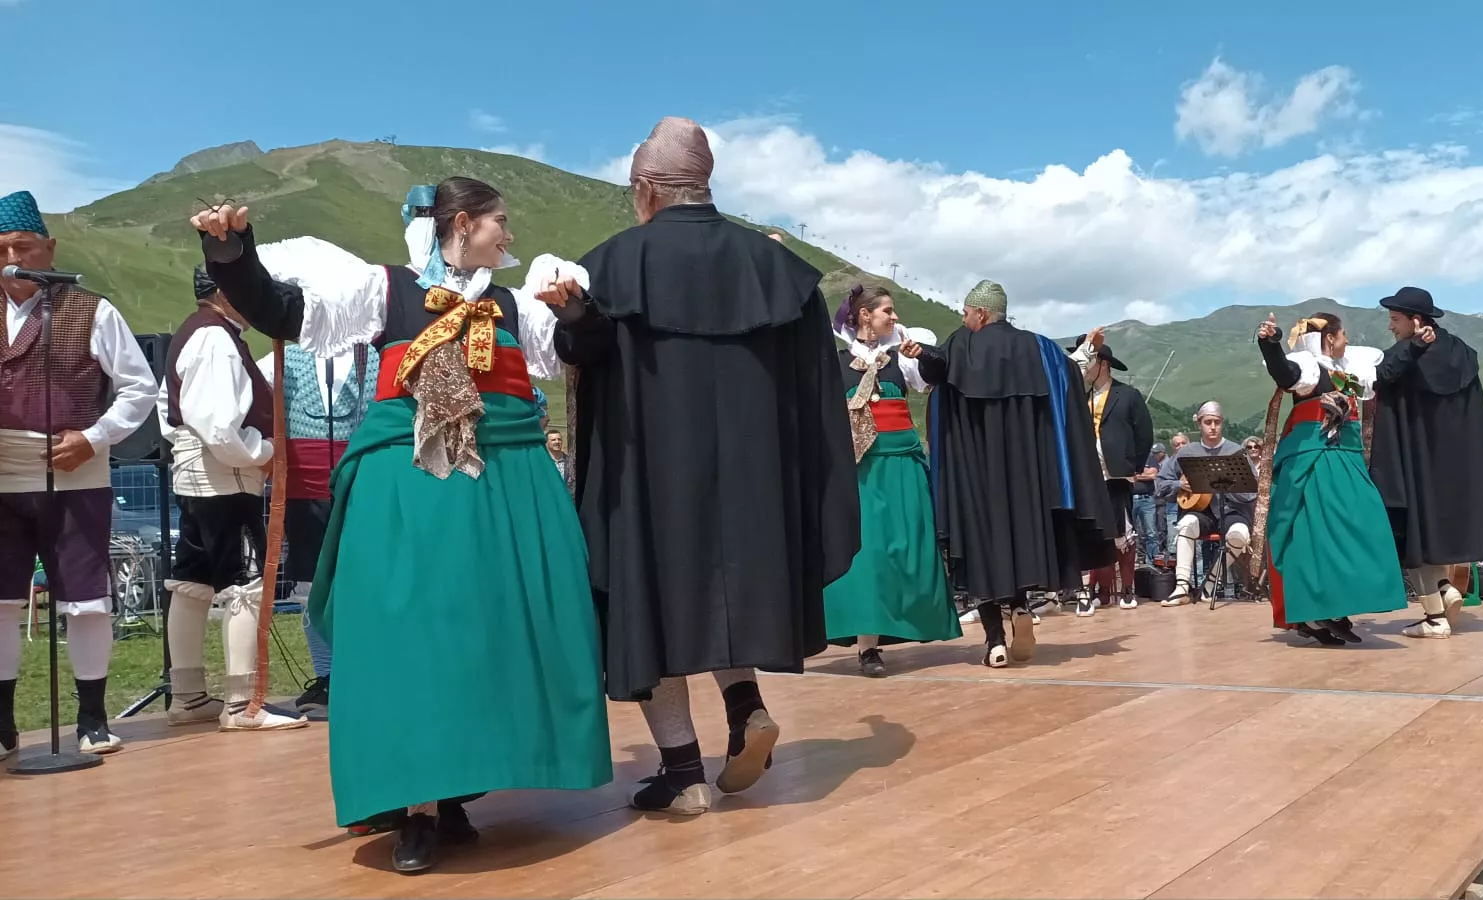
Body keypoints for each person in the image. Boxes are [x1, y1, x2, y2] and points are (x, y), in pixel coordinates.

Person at [191, 177, 611, 873]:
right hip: (412, 487)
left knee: (484, 636)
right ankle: (414, 807)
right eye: (500, 222)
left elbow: (582, 353)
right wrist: (233, 254)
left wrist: (577, 315)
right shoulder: (385, 290)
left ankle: (458, 789)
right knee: (415, 634)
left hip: (505, 491)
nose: (509, 235)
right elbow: (282, 311)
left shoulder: (514, 305)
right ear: (463, 224)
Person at [547, 117, 858, 816]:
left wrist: (576, 322)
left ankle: (684, 773)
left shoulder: (613, 266)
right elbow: (817, 390)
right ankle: (747, 710)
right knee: (726, 593)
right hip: (757, 480)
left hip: (649, 479)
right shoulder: (777, 272)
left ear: (647, 187)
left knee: (650, 606)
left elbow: (584, 356)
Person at [0, 189, 158, 758]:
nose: (11, 260)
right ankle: (2, 724)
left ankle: (92, 717)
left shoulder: (92, 310)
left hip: (75, 471)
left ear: (50, 249)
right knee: (1, 602)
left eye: (22, 247)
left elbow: (139, 387)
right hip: (1, 475)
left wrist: (94, 437)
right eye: (0, 250)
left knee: (87, 598)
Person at [919, 279, 1116, 667]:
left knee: (981, 548)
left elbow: (935, 372)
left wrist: (922, 353)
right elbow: (1070, 374)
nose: (963, 318)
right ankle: (1021, 608)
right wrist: (1087, 351)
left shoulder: (962, 344)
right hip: (1027, 475)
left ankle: (994, 640)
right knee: (1019, 543)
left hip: (975, 473)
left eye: (965, 312)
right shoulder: (1038, 348)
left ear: (981, 314)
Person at [158, 268, 307, 734]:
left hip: (200, 472)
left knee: (193, 580)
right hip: (226, 474)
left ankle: (188, 695)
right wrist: (265, 452)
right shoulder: (216, 339)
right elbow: (220, 426)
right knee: (245, 582)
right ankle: (243, 703)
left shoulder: (199, 332)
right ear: (225, 290)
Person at [822, 285, 959, 678]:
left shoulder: (902, 357)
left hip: (902, 465)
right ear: (865, 315)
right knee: (868, 553)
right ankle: (867, 646)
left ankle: (911, 621)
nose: (895, 317)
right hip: (861, 468)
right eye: (888, 310)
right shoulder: (835, 363)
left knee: (909, 547)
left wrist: (925, 355)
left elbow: (937, 375)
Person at [1368, 287, 1483, 638]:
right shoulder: (1460, 353)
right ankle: (1446, 589)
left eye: (1395, 319)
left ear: (1416, 321)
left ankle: (1434, 618)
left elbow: (1381, 376)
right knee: (1434, 540)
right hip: (1457, 468)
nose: (1391, 327)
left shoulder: (1408, 352)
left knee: (1414, 539)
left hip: (1417, 466)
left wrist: (1413, 349)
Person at [1254, 312, 1407, 646]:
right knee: (1316, 534)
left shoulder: (1346, 371)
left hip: (1347, 458)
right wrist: (1271, 343)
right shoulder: (1308, 368)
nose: (1347, 340)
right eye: (1343, 335)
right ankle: (1318, 608)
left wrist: (1417, 345)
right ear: (1329, 338)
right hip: (1317, 458)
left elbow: (1385, 374)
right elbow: (1285, 373)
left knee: (1364, 527)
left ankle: (1334, 606)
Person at [255, 341, 379, 715]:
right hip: (303, 492)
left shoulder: (375, 359)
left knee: (364, 583)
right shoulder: (279, 361)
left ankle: (364, 674)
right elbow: (243, 396)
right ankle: (326, 676)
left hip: (361, 487)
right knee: (310, 587)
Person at [1069, 328, 1153, 612]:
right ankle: (1098, 591)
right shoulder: (1079, 397)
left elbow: (1144, 434)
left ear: (1102, 363)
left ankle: (1128, 589)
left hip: (1117, 474)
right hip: (1088, 477)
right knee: (1094, 532)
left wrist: (1133, 466)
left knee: (1122, 533)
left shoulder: (1127, 395)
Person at [1155, 402, 1255, 605]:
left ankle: (1210, 582)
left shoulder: (1236, 452)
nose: (1213, 427)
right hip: (1200, 511)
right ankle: (1182, 587)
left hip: (1232, 510)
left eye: (1217, 422)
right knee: (1185, 524)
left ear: (1222, 423)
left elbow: (1252, 491)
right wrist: (1179, 484)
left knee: (1240, 535)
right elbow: (1160, 484)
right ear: (1199, 424)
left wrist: (1230, 487)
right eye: (1208, 422)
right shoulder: (1186, 453)